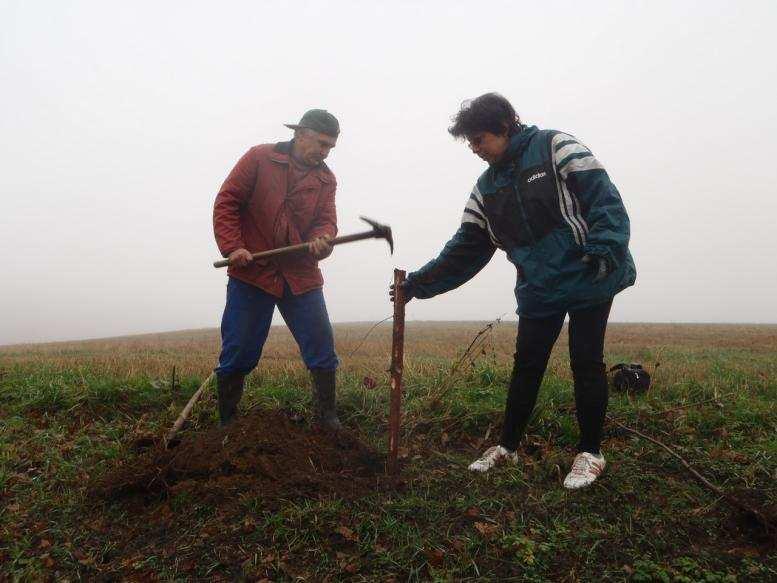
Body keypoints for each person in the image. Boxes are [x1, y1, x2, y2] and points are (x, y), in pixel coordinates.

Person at [392, 93, 636, 489]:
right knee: (527, 365)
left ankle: (591, 453)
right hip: (539, 286)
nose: (475, 149)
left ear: (505, 126)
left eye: (480, 139)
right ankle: (507, 447)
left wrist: (607, 245)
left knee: (586, 361)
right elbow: (466, 248)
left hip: (590, 273)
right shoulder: (486, 188)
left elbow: (603, 197)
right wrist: (418, 284)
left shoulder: (555, 147)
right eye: (470, 142)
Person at [213, 109, 342, 430]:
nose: (324, 152)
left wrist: (322, 240)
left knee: (321, 345)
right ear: (300, 134)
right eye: (321, 143)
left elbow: (326, 221)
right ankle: (227, 422)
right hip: (252, 272)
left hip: (301, 274)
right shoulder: (259, 158)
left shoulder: (326, 179)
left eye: (330, 147)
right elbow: (227, 201)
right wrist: (233, 247)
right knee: (239, 349)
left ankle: (327, 419)